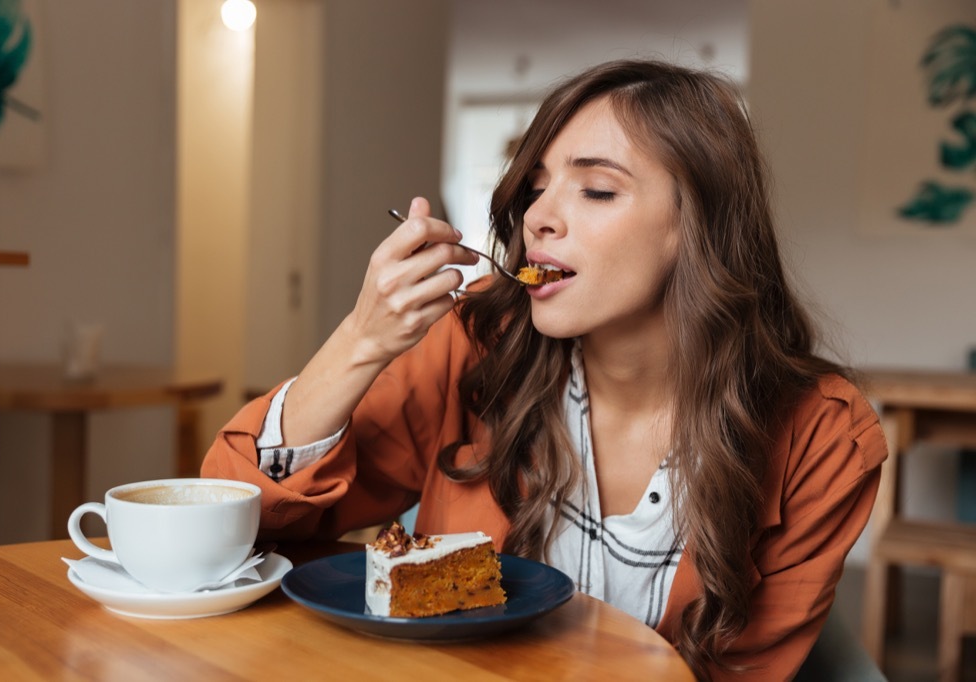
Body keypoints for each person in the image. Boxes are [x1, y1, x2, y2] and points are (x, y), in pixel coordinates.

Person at [202, 59, 886, 680]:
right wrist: (359, 342)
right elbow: (235, 529)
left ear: (699, 224)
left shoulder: (823, 437)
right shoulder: (475, 344)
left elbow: (741, 673)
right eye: (534, 188)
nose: (538, 218)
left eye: (595, 190)